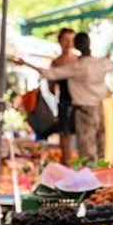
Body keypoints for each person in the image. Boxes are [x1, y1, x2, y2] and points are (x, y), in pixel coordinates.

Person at [18, 32, 112, 163]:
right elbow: (109, 64)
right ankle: (100, 175)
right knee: (99, 146)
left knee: (88, 150)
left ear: (76, 45)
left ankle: (93, 179)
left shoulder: (77, 66)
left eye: (71, 41)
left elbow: (50, 74)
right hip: (94, 107)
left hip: (84, 109)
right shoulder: (100, 63)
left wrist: (26, 63)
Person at [45, 28, 78, 163]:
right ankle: (67, 163)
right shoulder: (56, 63)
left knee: (80, 135)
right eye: (65, 40)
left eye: (71, 40)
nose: (68, 43)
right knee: (65, 135)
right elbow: (52, 86)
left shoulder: (79, 60)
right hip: (64, 101)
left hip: (79, 102)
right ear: (60, 41)